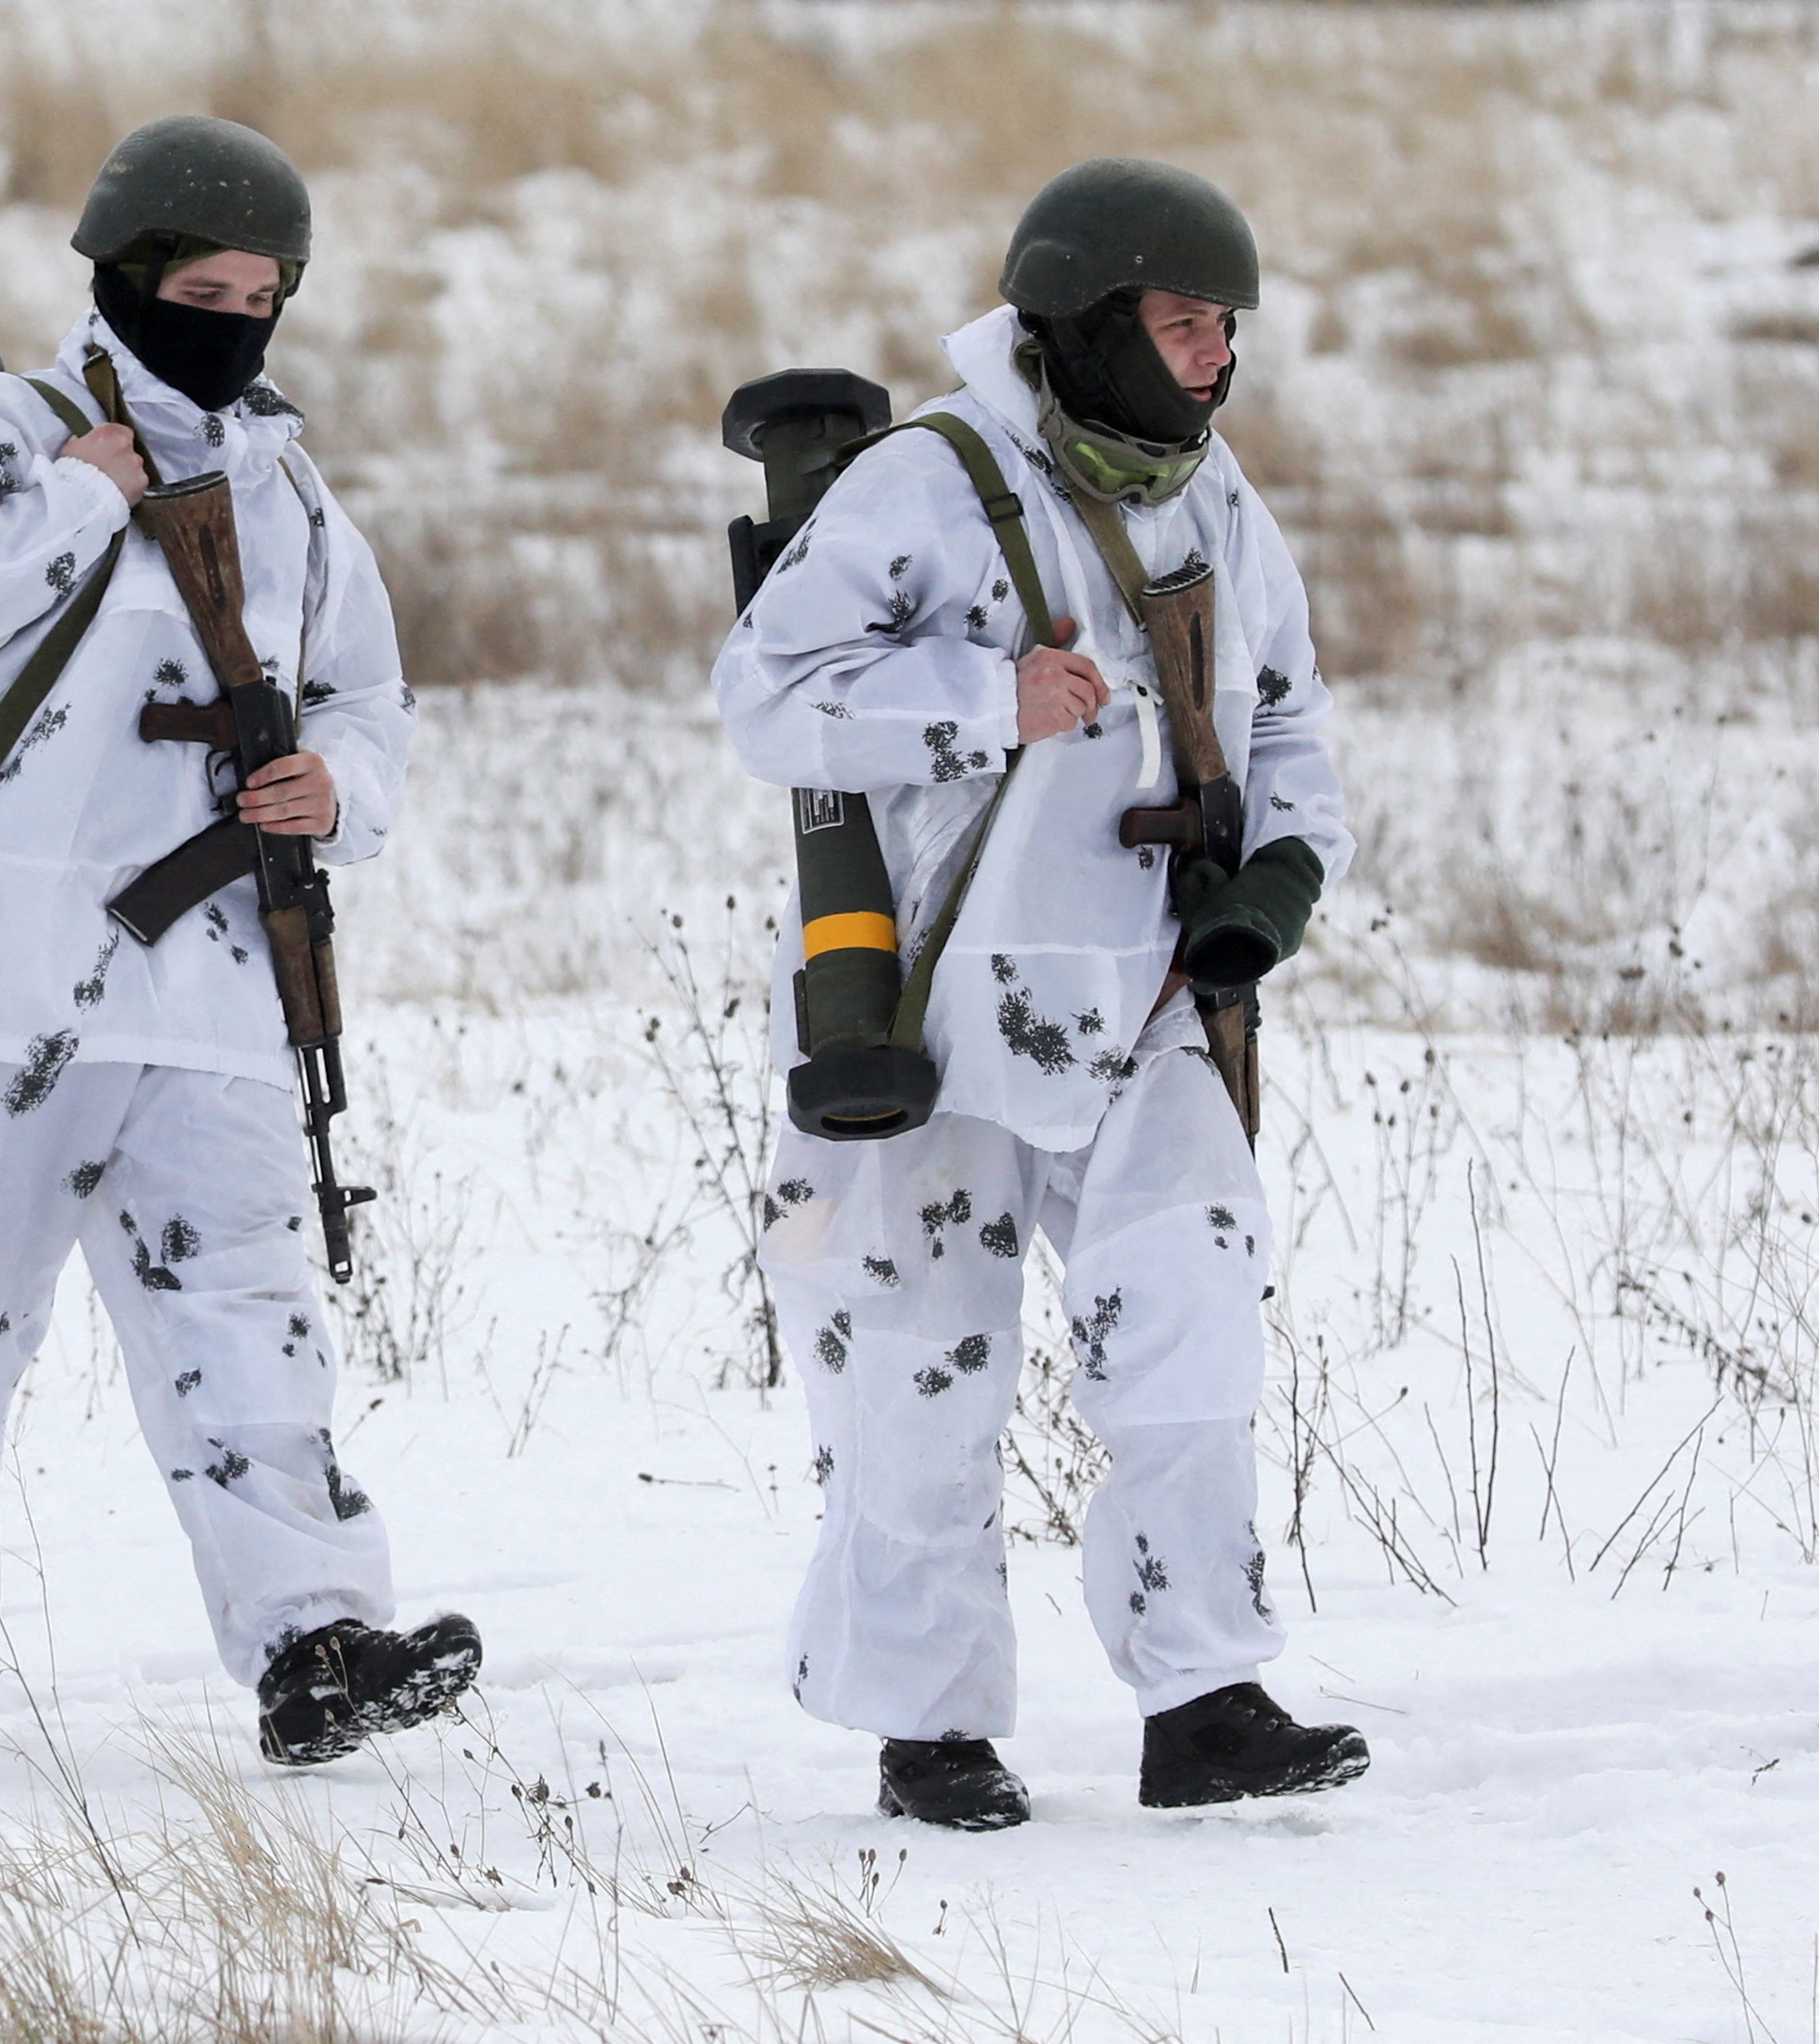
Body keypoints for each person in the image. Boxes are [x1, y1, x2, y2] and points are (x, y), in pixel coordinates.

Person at [0, 115, 478, 1768]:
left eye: (263, 292)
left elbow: (367, 686)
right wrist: (68, 503)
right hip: (7, 982)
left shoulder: (289, 481)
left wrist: (344, 788)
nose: (234, 319)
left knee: (249, 1318)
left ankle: (314, 1644)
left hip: (222, 986)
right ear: (121, 280)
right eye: (202, 286)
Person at [716, 158, 1365, 1829]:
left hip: (1151, 999)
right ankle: (929, 1730)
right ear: (1085, 327)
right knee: (926, 1366)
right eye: (1181, 324)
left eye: (1230, 327)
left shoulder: (1218, 497)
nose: (1216, 358)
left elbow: (1287, 723)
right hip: (939, 1015)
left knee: (1196, 1332)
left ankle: (1205, 1698)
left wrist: (1274, 885)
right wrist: (983, 698)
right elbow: (770, 701)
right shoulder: (924, 486)